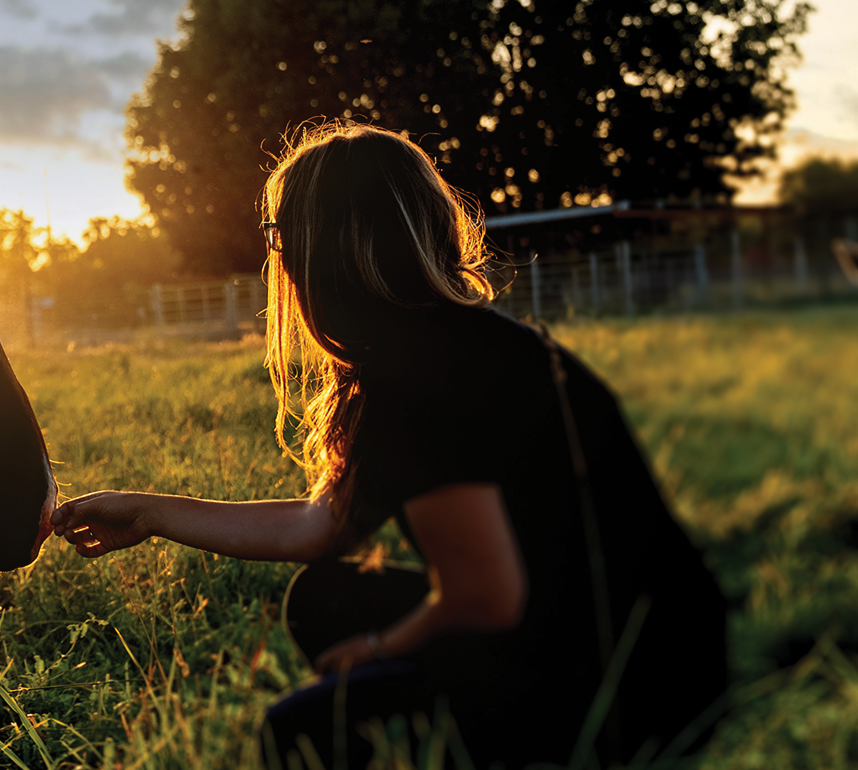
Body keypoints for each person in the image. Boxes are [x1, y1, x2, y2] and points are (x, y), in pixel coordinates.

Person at [48, 124, 728, 768]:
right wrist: (149, 513)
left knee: (300, 732)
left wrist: (377, 650)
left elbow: (486, 597)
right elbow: (325, 525)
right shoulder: (468, 343)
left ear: (317, 253)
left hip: (625, 689)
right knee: (326, 598)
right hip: (672, 653)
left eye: (277, 237)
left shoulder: (419, 380)